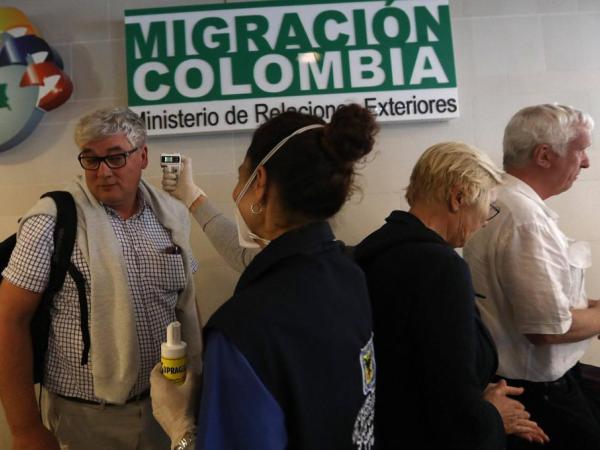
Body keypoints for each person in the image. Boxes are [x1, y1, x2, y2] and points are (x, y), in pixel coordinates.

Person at [150, 104, 378, 450]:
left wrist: (182, 426)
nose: (234, 192)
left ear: (259, 183)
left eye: (241, 176)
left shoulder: (243, 331)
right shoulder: (347, 274)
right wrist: (193, 198)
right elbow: (248, 254)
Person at [0, 107, 202, 450]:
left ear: (143, 156)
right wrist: (25, 428)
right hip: (86, 419)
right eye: (91, 159)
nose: (103, 172)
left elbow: (186, 302)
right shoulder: (51, 220)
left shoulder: (171, 216)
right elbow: (8, 319)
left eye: (115, 157)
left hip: (167, 409)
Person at [354, 142, 549, 449]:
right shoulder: (441, 268)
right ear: (458, 197)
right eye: (489, 206)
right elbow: (449, 399)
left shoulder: (375, 248)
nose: (487, 219)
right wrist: (493, 415)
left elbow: (413, 365)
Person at [463, 104, 600, 449]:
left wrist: (591, 310)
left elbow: (545, 301)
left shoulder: (503, 201)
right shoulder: (525, 220)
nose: (586, 161)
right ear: (543, 155)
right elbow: (547, 328)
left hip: (527, 386)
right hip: (540, 396)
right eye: (580, 149)